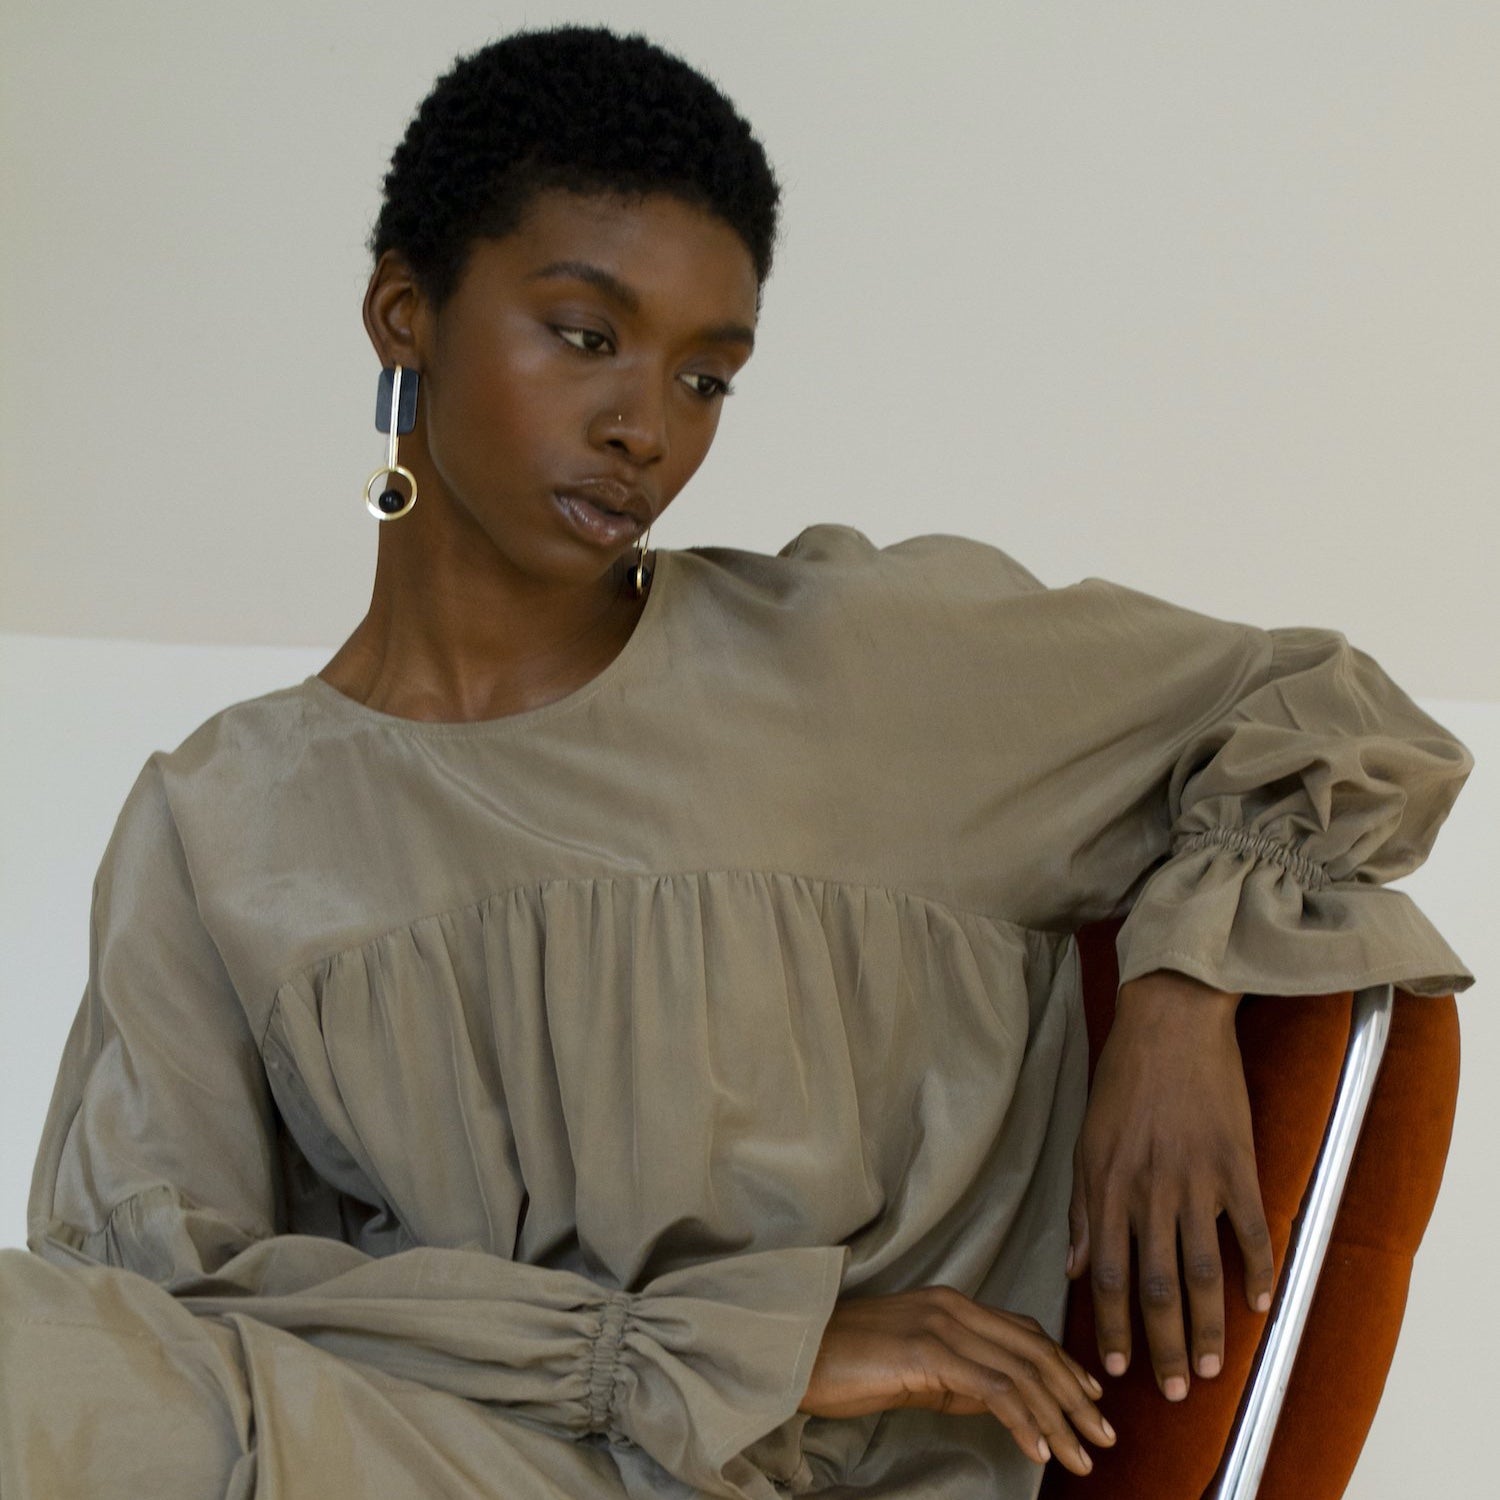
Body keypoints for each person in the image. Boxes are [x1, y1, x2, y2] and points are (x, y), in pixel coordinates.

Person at [0, 24, 1474, 1500]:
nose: (644, 429)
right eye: (585, 336)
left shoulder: (855, 666)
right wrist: (715, 1346)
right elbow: (156, 1309)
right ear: (405, 311)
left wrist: (1179, 983)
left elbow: (1330, 708)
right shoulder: (219, 823)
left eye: (708, 378)